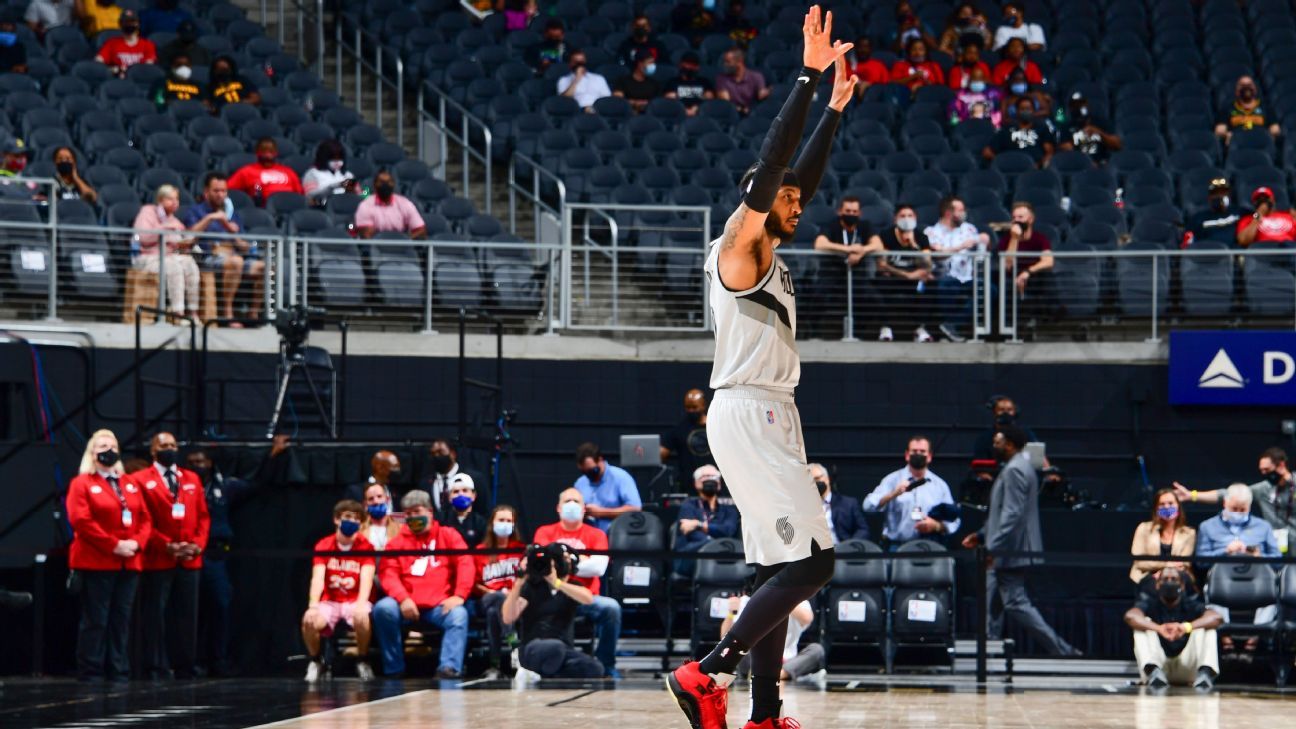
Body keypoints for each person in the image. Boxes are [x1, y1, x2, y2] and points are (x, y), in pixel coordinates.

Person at [667, 11, 854, 727]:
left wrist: (834, 110)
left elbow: (794, 175)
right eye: (788, 197)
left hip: (769, 412)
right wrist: (808, 78)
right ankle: (706, 671)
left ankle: (766, 712)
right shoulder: (739, 246)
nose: (798, 203)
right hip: (748, 408)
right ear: (756, 198)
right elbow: (776, 168)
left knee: (783, 566)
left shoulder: (768, 239)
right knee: (814, 564)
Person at [961, 424, 1079, 656]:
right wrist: (982, 535)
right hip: (1005, 546)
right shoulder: (1016, 467)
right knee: (992, 598)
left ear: (1010, 444)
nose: (993, 445)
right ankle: (989, 649)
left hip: (1010, 550)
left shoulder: (1015, 470)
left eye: (998, 441)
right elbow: (1002, 511)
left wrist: (992, 548)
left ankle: (1062, 650)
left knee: (1015, 602)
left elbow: (1012, 514)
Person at [189, 440, 284, 678]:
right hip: (188, 554)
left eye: (201, 462)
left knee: (221, 605)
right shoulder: (183, 487)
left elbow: (256, 484)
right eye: (192, 463)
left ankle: (218, 659)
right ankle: (190, 661)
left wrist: (271, 456)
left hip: (215, 554)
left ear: (210, 463)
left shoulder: (224, 486)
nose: (197, 466)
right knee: (191, 610)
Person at [67, 429, 151, 682]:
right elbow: (82, 521)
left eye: (112, 445)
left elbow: (145, 519)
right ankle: (91, 669)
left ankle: (118, 668)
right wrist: (114, 545)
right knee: (96, 619)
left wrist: (135, 543)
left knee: (121, 618)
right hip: (97, 561)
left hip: (129, 562)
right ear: (92, 453)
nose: (108, 450)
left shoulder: (129, 483)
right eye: (102, 446)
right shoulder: (82, 483)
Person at [131, 432, 209, 680]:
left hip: (189, 558)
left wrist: (197, 544)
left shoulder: (191, 478)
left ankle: (186, 664)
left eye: (173, 445)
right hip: (159, 558)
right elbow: (142, 520)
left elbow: (203, 517)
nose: (169, 448)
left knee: (187, 615)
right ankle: (155, 666)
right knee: (155, 615)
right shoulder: (140, 480)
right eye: (164, 445)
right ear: (153, 450)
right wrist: (166, 544)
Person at [372, 490, 474, 679]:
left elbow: (465, 564)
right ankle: (394, 669)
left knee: (458, 615)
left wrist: (459, 595)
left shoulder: (448, 535)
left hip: (438, 606)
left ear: (429, 512)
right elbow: (388, 574)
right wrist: (402, 599)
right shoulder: (396, 543)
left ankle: (448, 669)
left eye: (417, 512)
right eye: (408, 514)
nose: (413, 517)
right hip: (405, 605)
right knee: (383, 608)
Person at [533, 488, 622, 677]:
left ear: (583, 509)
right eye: (567, 501)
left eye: (576, 501)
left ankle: (606, 664)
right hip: (552, 596)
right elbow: (542, 566)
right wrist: (579, 560)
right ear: (558, 507)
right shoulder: (545, 532)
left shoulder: (597, 534)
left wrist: (562, 563)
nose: (571, 505)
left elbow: (599, 568)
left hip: (585, 597)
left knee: (611, 608)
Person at [501, 542, 604, 679]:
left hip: (564, 650)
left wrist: (557, 583)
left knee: (595, 668)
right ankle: (541, 673)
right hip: (533, 648)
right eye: (564, 558)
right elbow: (508, 618)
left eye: (568, 559)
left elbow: (588, 599)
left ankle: (541, 676)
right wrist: (519, 584)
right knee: (554, 647)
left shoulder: (571, 587)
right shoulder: (532, 586)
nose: (566, 561)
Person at [302, 500, 376, 682]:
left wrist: (360, 604)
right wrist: (312, 605)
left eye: (357, 519)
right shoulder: (324, 545)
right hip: (331, 600)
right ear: (337, 520)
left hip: (354, 600)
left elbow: (367, 578)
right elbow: (317, 578)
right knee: (309, 621)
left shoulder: (366, 546)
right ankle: (316, 661)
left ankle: (362, 660)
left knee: (362, 617)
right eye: (348, 517)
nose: (353, 522)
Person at [1174, 447, 1296, 555]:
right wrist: (1192, 495)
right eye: (1262, 470)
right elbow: (1227, 494)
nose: (1264, 474)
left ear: (1281, 465)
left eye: (1267, 470)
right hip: (1278, 542)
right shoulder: (1265, 488)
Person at [183, 172, 262, 325]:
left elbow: (244, 246)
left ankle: (254, 313)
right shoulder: (196, 211)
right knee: (236, 262)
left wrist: (232, 233)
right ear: (206, 192)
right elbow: (188, 237)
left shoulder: (232, 214)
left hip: (233, 254)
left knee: (263, 267)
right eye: (216, 191)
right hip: (208, 257)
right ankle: (228, 313)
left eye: (224, 191)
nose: (221, 195)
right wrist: (210, 218)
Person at [1124, 567, 1220, 690]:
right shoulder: (1150, 603)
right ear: (1157, 585)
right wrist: (1158, 628)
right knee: (1143, 625)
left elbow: (1216, 617)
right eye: (1165, 579)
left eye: (1174, 579)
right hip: (1160, 669)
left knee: (1206, 627)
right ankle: (1153, 672)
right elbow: (1130, 616)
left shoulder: (1191, 603)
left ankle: (1205, 675)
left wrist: (1186, 627)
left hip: (1187, 668)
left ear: (1182, 585)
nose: (1169, 582)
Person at [864, 436, 960, 547]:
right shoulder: (892, 480)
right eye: (914, 451)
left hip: (930, 547)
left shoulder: (940, 485)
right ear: (907, 455)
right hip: (897, 547)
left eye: (922, 451)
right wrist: (893, 494)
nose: (918, 454)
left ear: (929, 456)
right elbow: (868, 506)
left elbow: (954, 520)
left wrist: (937, 526)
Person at [812, 195, 883, 335]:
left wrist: (862, 250)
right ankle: (814, 332)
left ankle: (860, 331)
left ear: (859, 213)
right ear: (840, 212)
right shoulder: (832, 225)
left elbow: (878, 245)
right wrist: (849, 249)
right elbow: (819, 244)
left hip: (858, 276)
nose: (851, 214)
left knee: (876, 301)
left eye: (854, 212)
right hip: (833, 275)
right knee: (816, 297)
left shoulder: (865, 225)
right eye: (848, 211)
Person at [132, 184, 201, 321]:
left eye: (177, 199)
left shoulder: (174, 220)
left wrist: (186, 244)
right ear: (160, 200)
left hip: (169, 257)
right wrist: (165, 228)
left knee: (189, 264)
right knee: (173, 267)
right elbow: (143, 238)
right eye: (170, 199)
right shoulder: (147, 212)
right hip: (146, 258)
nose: (175, 202)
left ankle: (193, 314)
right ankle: (178, 314)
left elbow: (177, 244)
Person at [924, 195, 988, 341]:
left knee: (990, 290)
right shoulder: (931, 232)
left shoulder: (969, 229)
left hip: (968, 278)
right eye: (960, 210)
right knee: (947, 285)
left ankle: (952, 325)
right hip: (944, 277)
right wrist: (961, 247)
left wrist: (984, 240)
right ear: (948, 213)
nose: (964, 213)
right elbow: (938, 255)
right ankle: (948, 330)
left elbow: (981, 250)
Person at [474, 504, 526, 679]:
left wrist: (511, 597)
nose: (505, 523)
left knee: (493, 613)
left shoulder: (520, 550)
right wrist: (492, 593)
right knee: (495, 600)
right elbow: (475, 584)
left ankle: (494, 666)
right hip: (487, 597)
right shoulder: (480, 551)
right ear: (492, 523)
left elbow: (526, 580)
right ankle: (515, 650)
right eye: (501, 520)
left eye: (509, 520)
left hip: (513, 601)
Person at [725, 594, 825, 686]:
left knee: (817, 649)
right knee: (736, 646)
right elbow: (725, 637)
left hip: (787, 662)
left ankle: (778, 674)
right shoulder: (746, 600)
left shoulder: (796, 598)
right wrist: (731, 613)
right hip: (755, 659)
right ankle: (766, 674)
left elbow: (807, 618)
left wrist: (781, 597)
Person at [874, 203, 936, 343]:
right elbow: (881, 266)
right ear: (895, 219)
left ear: (915, 218)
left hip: (912, 280)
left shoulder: (921, 237)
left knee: (930, 286)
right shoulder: (886, 235)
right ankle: (885, 328)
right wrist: (907, 275)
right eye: (902, 216)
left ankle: (919, 329)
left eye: (910, 216)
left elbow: (927, 265)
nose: (906, 219)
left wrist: (914, 246)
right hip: (892, 279)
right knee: (881, 283)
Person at [674, 465, 741, 576]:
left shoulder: (729, 510)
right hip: (692, 557)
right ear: (696, 483)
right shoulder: (688, 506)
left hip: (724, 556)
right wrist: (715, 542)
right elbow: (692, 534)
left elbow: (728, 530)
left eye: (713, 476)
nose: (710, 479)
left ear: (719, 484)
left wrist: (698, 524)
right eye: (705, 476)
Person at [1129, 488, 1196, 594]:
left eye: (1170, 503)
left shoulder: (1189, 533)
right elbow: (1139, 562)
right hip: (1147, 575)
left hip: (1177, 576)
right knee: (1150, 585)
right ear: (1156, 508)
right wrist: (1166, 565)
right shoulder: (1143, 528)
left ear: (1178, 506)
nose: (1166, 507)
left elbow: (1184, 563)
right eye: (1162, 504)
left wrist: (1165, 573)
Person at [998, 202, 1057, 317]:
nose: (1016, 221)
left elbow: (1049, 261)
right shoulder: (1006, 240)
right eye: (1014, 217)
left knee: (1049, 279)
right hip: (1012, 279)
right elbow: (1008, 265)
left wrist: (1027, 272)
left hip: (1033, 278)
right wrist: (1014, 238)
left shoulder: (1040, 238)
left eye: (1020, 217)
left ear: (1030, 219)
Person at [1193, 483, 1281, 558]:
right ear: (1225, 503)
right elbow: (1201, 561)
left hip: (1257, 574)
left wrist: (1259, 557)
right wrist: (1225, 552)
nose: (1238, 512)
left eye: (1243, 509)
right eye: (1234, 509)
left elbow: (1278, 559)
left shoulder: (1263, 526)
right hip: (1221, 575)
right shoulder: (1207, 526)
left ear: (1249, 506)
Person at [573, 441, 642, 531]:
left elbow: (635, 508)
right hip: (587, 537)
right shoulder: (580, 482)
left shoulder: (620, 477)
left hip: (614, 535)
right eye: (585, 472)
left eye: (592, 471)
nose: (589, 475)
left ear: (600, 460)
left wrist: (601, 512)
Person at [661, 388, 713, 492]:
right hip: (688, 485)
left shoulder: (715, 427)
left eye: (694, 407)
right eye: (688, 407)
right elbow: (661, 453)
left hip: (713, 481)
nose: (691, 411)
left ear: (703, 406)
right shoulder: (680, 429)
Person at [227, 138, 303, 207]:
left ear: (276, 153)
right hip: (264, 206)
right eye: (264, 151)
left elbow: (299, 193)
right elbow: (227, 188)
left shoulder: (288, 171)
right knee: (257, 186)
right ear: (257, 152)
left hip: (291, 205)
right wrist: (257, 190)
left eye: (271, 151)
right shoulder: (247, 171)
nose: (267, 155)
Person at [353, 169, 427, 239]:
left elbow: (420, 230)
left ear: (394, 184)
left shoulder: (405, 203)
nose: (386, 185)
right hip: (375, 248)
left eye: (389, 182)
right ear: (375, 185)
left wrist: (404, 241)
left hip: (402, 247)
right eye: (381, 182)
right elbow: (366, 235)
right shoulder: (365, 205)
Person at [984, 97, 1054, 168]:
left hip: (1034, 169)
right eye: (1022, 109)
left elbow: (1049, 152)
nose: (1025, 111)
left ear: (1034, 111)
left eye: (1028, 109)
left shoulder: (1042, 128)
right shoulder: (1007, 129)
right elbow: (987, 152)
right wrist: (1001, 162)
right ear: (1017, 111)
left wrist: (1040, 165)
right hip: (1010, 168)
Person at [1056, 91, 1121, 164]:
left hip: (1102, 164)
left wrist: (1099, 133)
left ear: (1087, 104)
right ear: (1070, 108)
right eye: (1074, 105)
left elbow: (1117, 145)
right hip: (1079, 164)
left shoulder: (1101, 123)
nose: (1078, 107)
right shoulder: (1066, 127)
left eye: (1081, 103)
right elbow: (1065, 147)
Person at [813, 463, 869, 545]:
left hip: (842, 552)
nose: (815, 483)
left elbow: (863, 530)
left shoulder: (848, 504)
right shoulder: (802, 507)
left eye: (817, 478)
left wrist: (850, 546)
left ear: (827, 479)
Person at [423, 438, 484, 512]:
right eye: (433, 454)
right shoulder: (426, 483)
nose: (436, 456)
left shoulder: (475, 478)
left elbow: (484, 511)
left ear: (453, 454)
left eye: (440, 452)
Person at [1215, 75, 1281, 144]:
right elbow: (1219, 130)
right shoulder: (1227, 109)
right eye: (1242, 85)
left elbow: (1275, 129)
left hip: (1260, 144)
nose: (1246, 87)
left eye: (1249, 84)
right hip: (1238, 145)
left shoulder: (1266, 108)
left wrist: (1268, 135)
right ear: (1237, 90)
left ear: (1255, 89)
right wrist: (1227, 135)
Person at [1183, 177, 1244, 248]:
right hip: (1208, 255)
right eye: (1216, 193)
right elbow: (1188, 243)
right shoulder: (1198, 218)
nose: (1220, 196)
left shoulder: (1240, 212)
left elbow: (1257, 218)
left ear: (1229, 195)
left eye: (1223, 192)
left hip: (1235, 255)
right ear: (1209, 197)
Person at [95, 9, 155, 77]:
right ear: (120, 24)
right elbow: (98, 62)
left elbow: (148, 67)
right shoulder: (111, 43)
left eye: (132, 21)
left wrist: (126, 71)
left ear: (138, 24)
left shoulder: (148, 45)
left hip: (138, 80)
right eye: (126, 22)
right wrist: (112, 70)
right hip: (116, 79)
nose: (129, 24)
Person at [301, 139, 358, 206]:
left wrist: (366, 191)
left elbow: (362, 194)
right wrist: (332, 187)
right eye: (333, 159)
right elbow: (309, 197)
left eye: (340, 159)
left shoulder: (348, 175)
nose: (337, 162)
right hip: (322, 209)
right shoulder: (312, 174)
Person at [715, 47, 769, 115]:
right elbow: (726, 104)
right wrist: (742, 109)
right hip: (732, 114)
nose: (725, 64)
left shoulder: (757, 77)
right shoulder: (722, 79)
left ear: (739, 62)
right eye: (725, 62)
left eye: (728, 62)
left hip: (753, 113)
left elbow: (761, 97)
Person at [439, 473, 486, 547]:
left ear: (473, 495)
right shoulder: (441, 520)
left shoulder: (480, 523)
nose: (461, 494)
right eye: (456, 491)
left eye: (465, 490)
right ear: (449, 497)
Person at [664, 51, 715, 115]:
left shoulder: (704, 82)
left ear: (698, 67)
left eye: (693, 64)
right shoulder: (673, 82)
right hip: (678, 114)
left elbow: (709, 98)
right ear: (681, 64)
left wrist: (697, 108)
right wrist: (684, 110)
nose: (690, 67)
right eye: (687, 63)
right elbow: (669, 99)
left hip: (700, 114)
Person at [362, 481, 401, 551]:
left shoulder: (400, 529)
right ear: (365, 504)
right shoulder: (359, 530)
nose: (376, 501)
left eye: (379, 496)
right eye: (371, 499)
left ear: (387, 499)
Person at [0, 8, 28, 74]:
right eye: (4, 25)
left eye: (9, 25)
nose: (6, 27)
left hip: (13, 75)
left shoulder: (19, 46)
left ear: (13, 27)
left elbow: (22, 66)